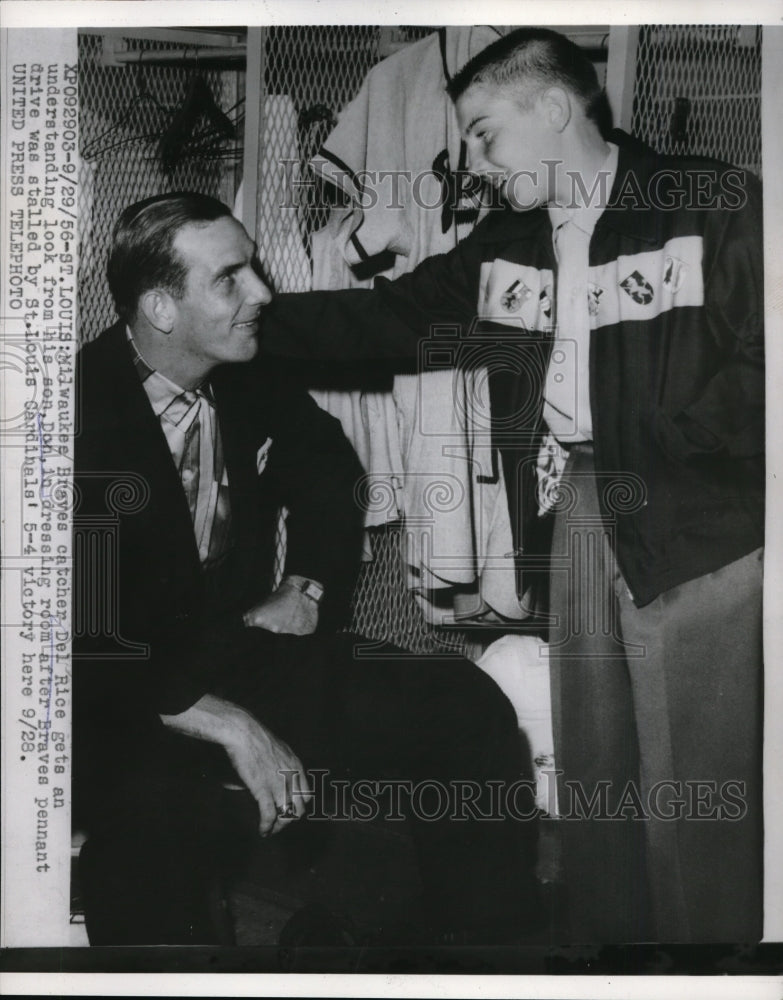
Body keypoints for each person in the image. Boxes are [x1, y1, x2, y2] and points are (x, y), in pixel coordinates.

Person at [260, 28, 765, 943]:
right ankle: (604, 957)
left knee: (697, 787)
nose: (478, 163)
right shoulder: (511, 241)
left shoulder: (714, 201)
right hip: (577, 504)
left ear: (555, 107)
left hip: (700, 517)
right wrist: (254, 321)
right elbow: (392, 316)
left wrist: (677, 445)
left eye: (487, 133)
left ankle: (709, 969)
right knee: (596, 768)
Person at [72, 193, 541, 947]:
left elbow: (330, 470)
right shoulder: (68, 415)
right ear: (162, 308)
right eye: (231, 279)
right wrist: (229, 724)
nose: (261, 292)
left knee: (461, 703)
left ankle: (476, 961)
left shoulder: (248, 370)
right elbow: (74, 638)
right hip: (115, 694)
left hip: (239, 652)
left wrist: (309, 583)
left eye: (253, 266)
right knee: (150, 821)